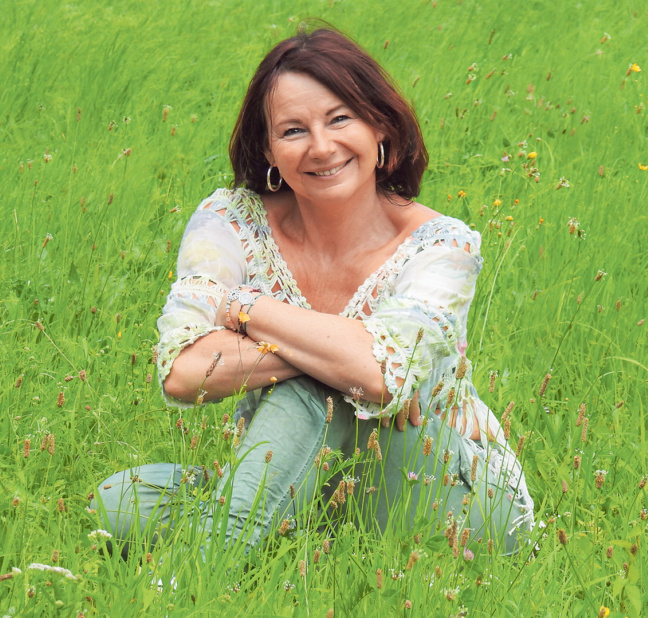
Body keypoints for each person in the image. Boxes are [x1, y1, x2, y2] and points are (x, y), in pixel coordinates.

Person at [92, 26, 534, 554]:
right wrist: (342, 356)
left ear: (380, 128)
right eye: (294, 130)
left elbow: (381, 377)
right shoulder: (232, 222)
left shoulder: (441, 245)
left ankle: (199, 576)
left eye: (340, 119)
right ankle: (280, 523)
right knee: (121, 500)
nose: (321, 147)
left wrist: (245, 308)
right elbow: (184, 371)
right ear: (269, 150)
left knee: (320, 392)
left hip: (440, 488)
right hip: (308, 475)